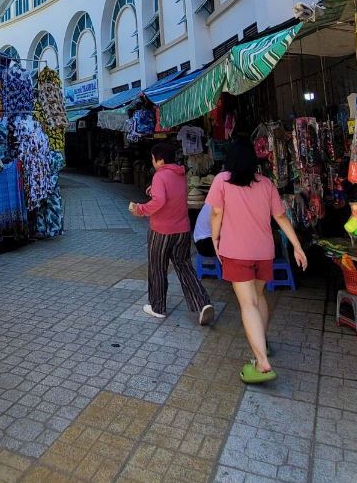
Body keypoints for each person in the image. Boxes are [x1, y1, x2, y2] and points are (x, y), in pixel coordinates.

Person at [207, 139, 307, 384]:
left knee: (248, 302)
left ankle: (261, 361)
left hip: (236, 251)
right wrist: (297, 246)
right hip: (264, 251)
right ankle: (262, 343)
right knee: (259, 296)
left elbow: (217, 213)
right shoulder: (266, 184)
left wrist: (215, 238)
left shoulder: (222, 180)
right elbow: (280, 217)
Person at [129, 142, 214, 325]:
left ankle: (157, 307)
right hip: (182, 230)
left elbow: (159, 201)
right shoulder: (180, 174)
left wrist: (140, 209)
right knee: (184, 267)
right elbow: (170, 195)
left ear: (159, 160)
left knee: (157, 267)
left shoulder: (160, 176)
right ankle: (202, 303)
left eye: (153, 158)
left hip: (162, 231)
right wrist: (153, 191)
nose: (152, 162)